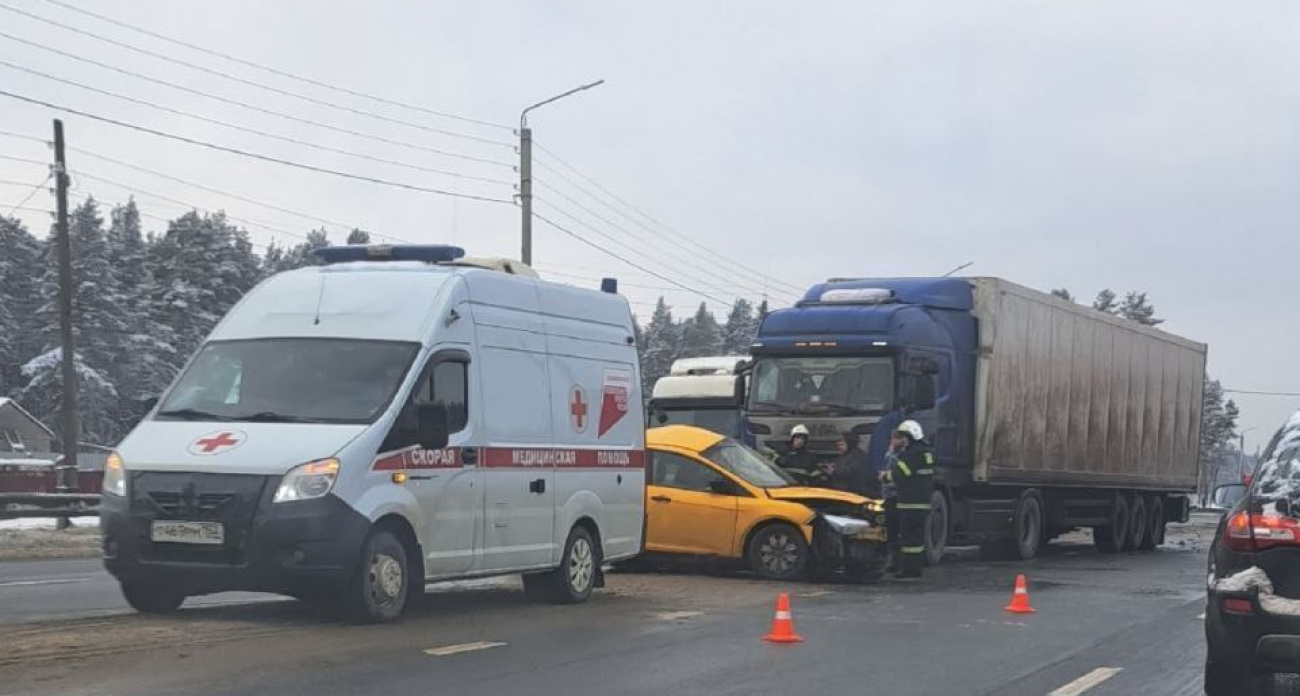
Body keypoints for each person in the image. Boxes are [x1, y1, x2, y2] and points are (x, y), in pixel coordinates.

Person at [882, 420, 934, 579]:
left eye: (903, 436)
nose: (902, 439)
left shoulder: (911, 453)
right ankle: (914, 568)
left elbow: (901, 474)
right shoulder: (926, 451)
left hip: (909, 502)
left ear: (910, 437)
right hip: (922, 502)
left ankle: (908, 570)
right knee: (916, 540)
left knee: (908, 539)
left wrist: (885, 476)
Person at [828, 429, 872, 495]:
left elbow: (851, 472)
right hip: (841, 491)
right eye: (839, 445)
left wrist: (834, 471)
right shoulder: (844, 455)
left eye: (842, 444)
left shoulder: (858, 456)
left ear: (850, 443)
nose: (839, 447)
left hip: (852, 492)